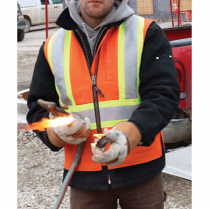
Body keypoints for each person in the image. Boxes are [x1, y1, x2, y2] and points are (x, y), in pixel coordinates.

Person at [27, 0, 180, 208]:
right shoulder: (52, 46)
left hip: (141, 169)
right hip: (83, 175)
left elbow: (164, 94)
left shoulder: (145, 32)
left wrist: (128, 135)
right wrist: (57, 132)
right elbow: (38, 108)